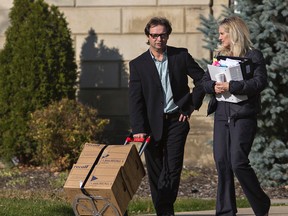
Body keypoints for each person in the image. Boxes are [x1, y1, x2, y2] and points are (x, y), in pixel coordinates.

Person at [128, 17, 205, 216]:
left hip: (176, 121)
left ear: (167, 35)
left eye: (162, 35)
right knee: (155, 171)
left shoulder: (181, 56)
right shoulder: (138, 65)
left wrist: (188, 106)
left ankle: (165, 211)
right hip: (151, 126)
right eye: (154, 35)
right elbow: (135, 100)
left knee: (172, 168)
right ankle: (164, 210)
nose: (158, 39)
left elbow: (203, 79)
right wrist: (138, 129)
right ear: (148, 37)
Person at [202, 16, 270, 216]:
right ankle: (225, 211)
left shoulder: (254, 56)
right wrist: (213, 86)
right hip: (222, 113)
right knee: (222, 161)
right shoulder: (218, 57)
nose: (219, 37)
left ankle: (261, 203)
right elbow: (205, 81)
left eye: (223, 33)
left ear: (234, 34)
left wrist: (232, 86)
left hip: (243, 115)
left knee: (238, 161)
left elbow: (259, 83)